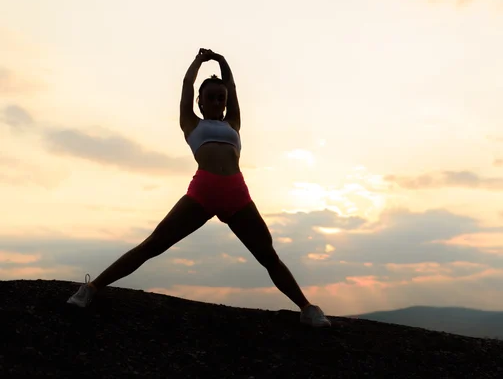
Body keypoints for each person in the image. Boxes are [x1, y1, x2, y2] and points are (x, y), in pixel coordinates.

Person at [67, 48, 331, 328]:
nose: (218, 101)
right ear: (201, 102)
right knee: (153, 245)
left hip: (236, 193)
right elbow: (186, 85)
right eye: (211, 97)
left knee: (268, 255)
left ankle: (307, 309)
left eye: (221, 97)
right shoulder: (191, 123)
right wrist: (199, 61)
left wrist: (222, 60)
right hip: (203, 192)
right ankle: (91, 289)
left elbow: (232, 86)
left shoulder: (233, 123)